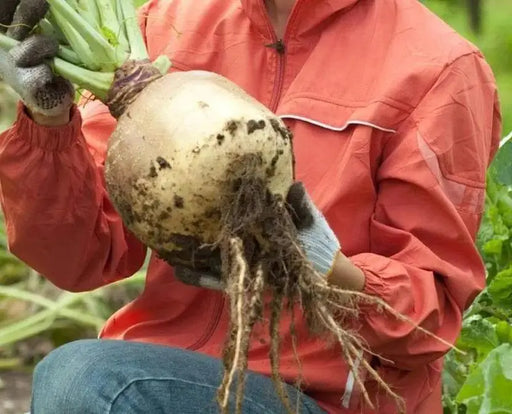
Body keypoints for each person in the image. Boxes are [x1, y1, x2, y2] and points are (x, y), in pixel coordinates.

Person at [0, 0, 501, 413]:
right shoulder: (169, 21)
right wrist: (49, 123)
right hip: (162, 369)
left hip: (324, 399)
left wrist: (324, 265)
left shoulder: (436, 67)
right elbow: (83, 254)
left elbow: (431, 321)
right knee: (87, 378)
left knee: (87, 380)